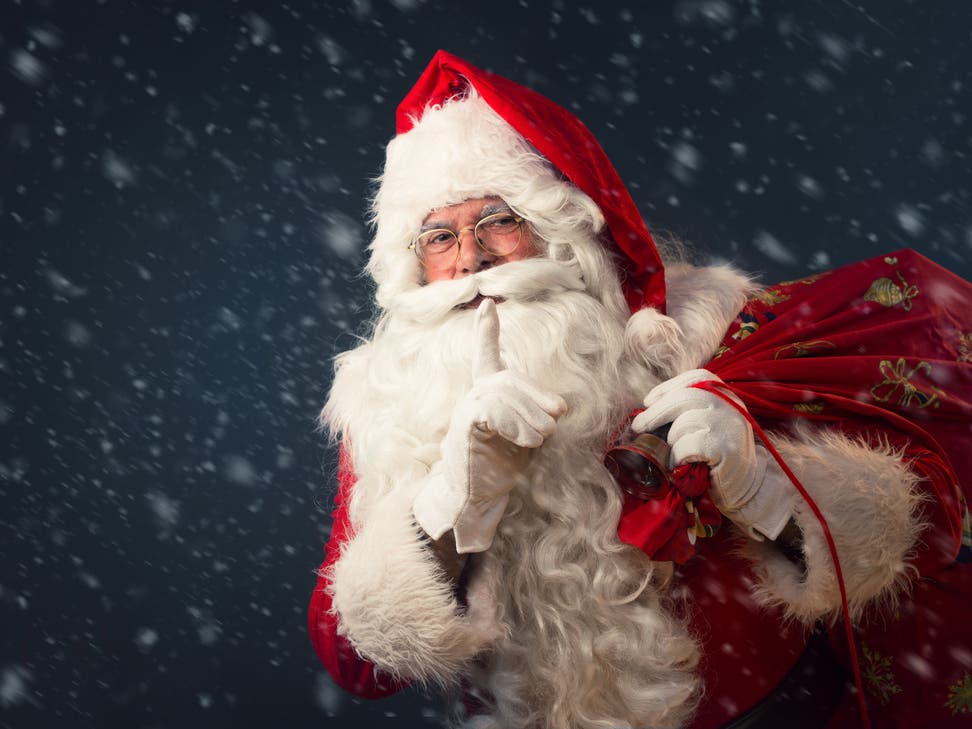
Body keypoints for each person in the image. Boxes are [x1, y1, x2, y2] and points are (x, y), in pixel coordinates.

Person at [308, 51, 972, 729]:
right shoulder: (391, 401)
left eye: (498, 221)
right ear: (413, 265)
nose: (471, 258)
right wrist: (453, 503)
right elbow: (357, 663)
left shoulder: (705, 332)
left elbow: (912, 536)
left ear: (558, 232)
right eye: (440, 236)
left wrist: (764, 482)